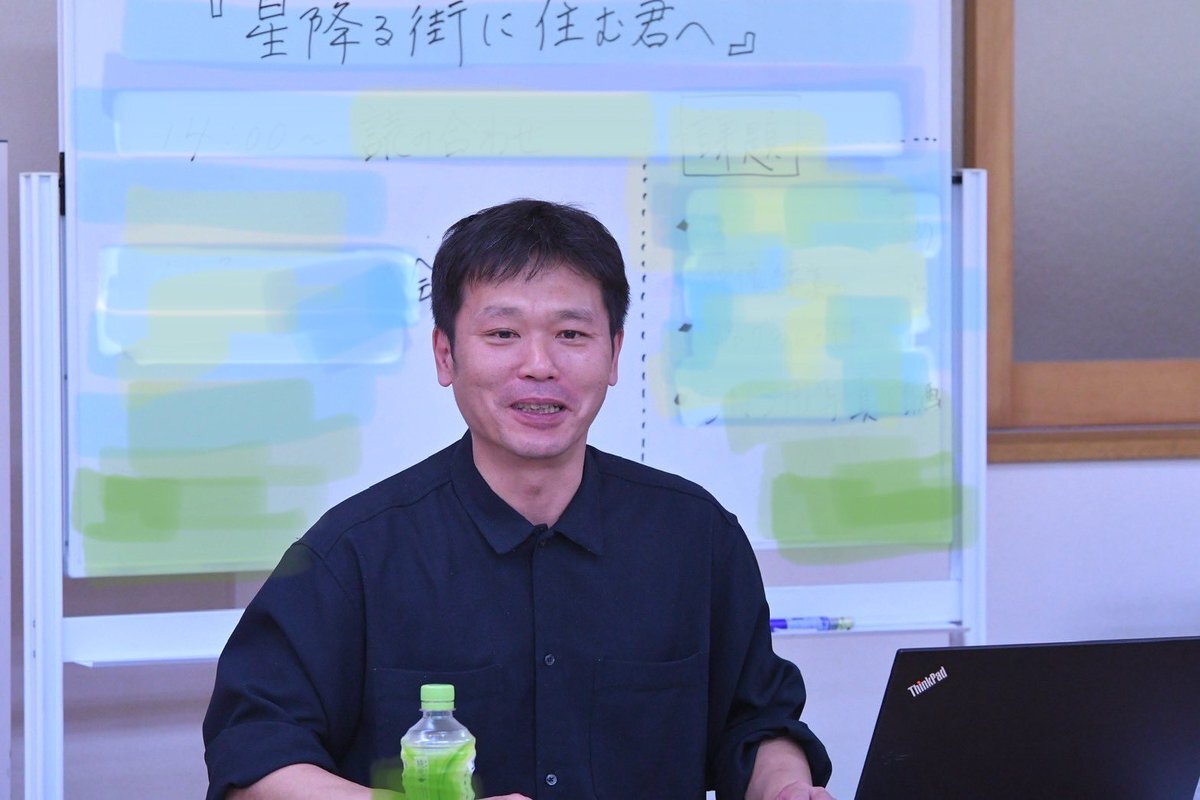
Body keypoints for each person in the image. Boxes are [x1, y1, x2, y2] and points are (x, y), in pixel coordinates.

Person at [203, 199, 834, 800]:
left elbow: (757, 722)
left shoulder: (696, 537)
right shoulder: (354, 554)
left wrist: (783, 785)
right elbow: (253, 760)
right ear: (446, 354)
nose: (539, 364)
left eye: (571, 333)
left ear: (615, 353)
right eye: (503, 333)